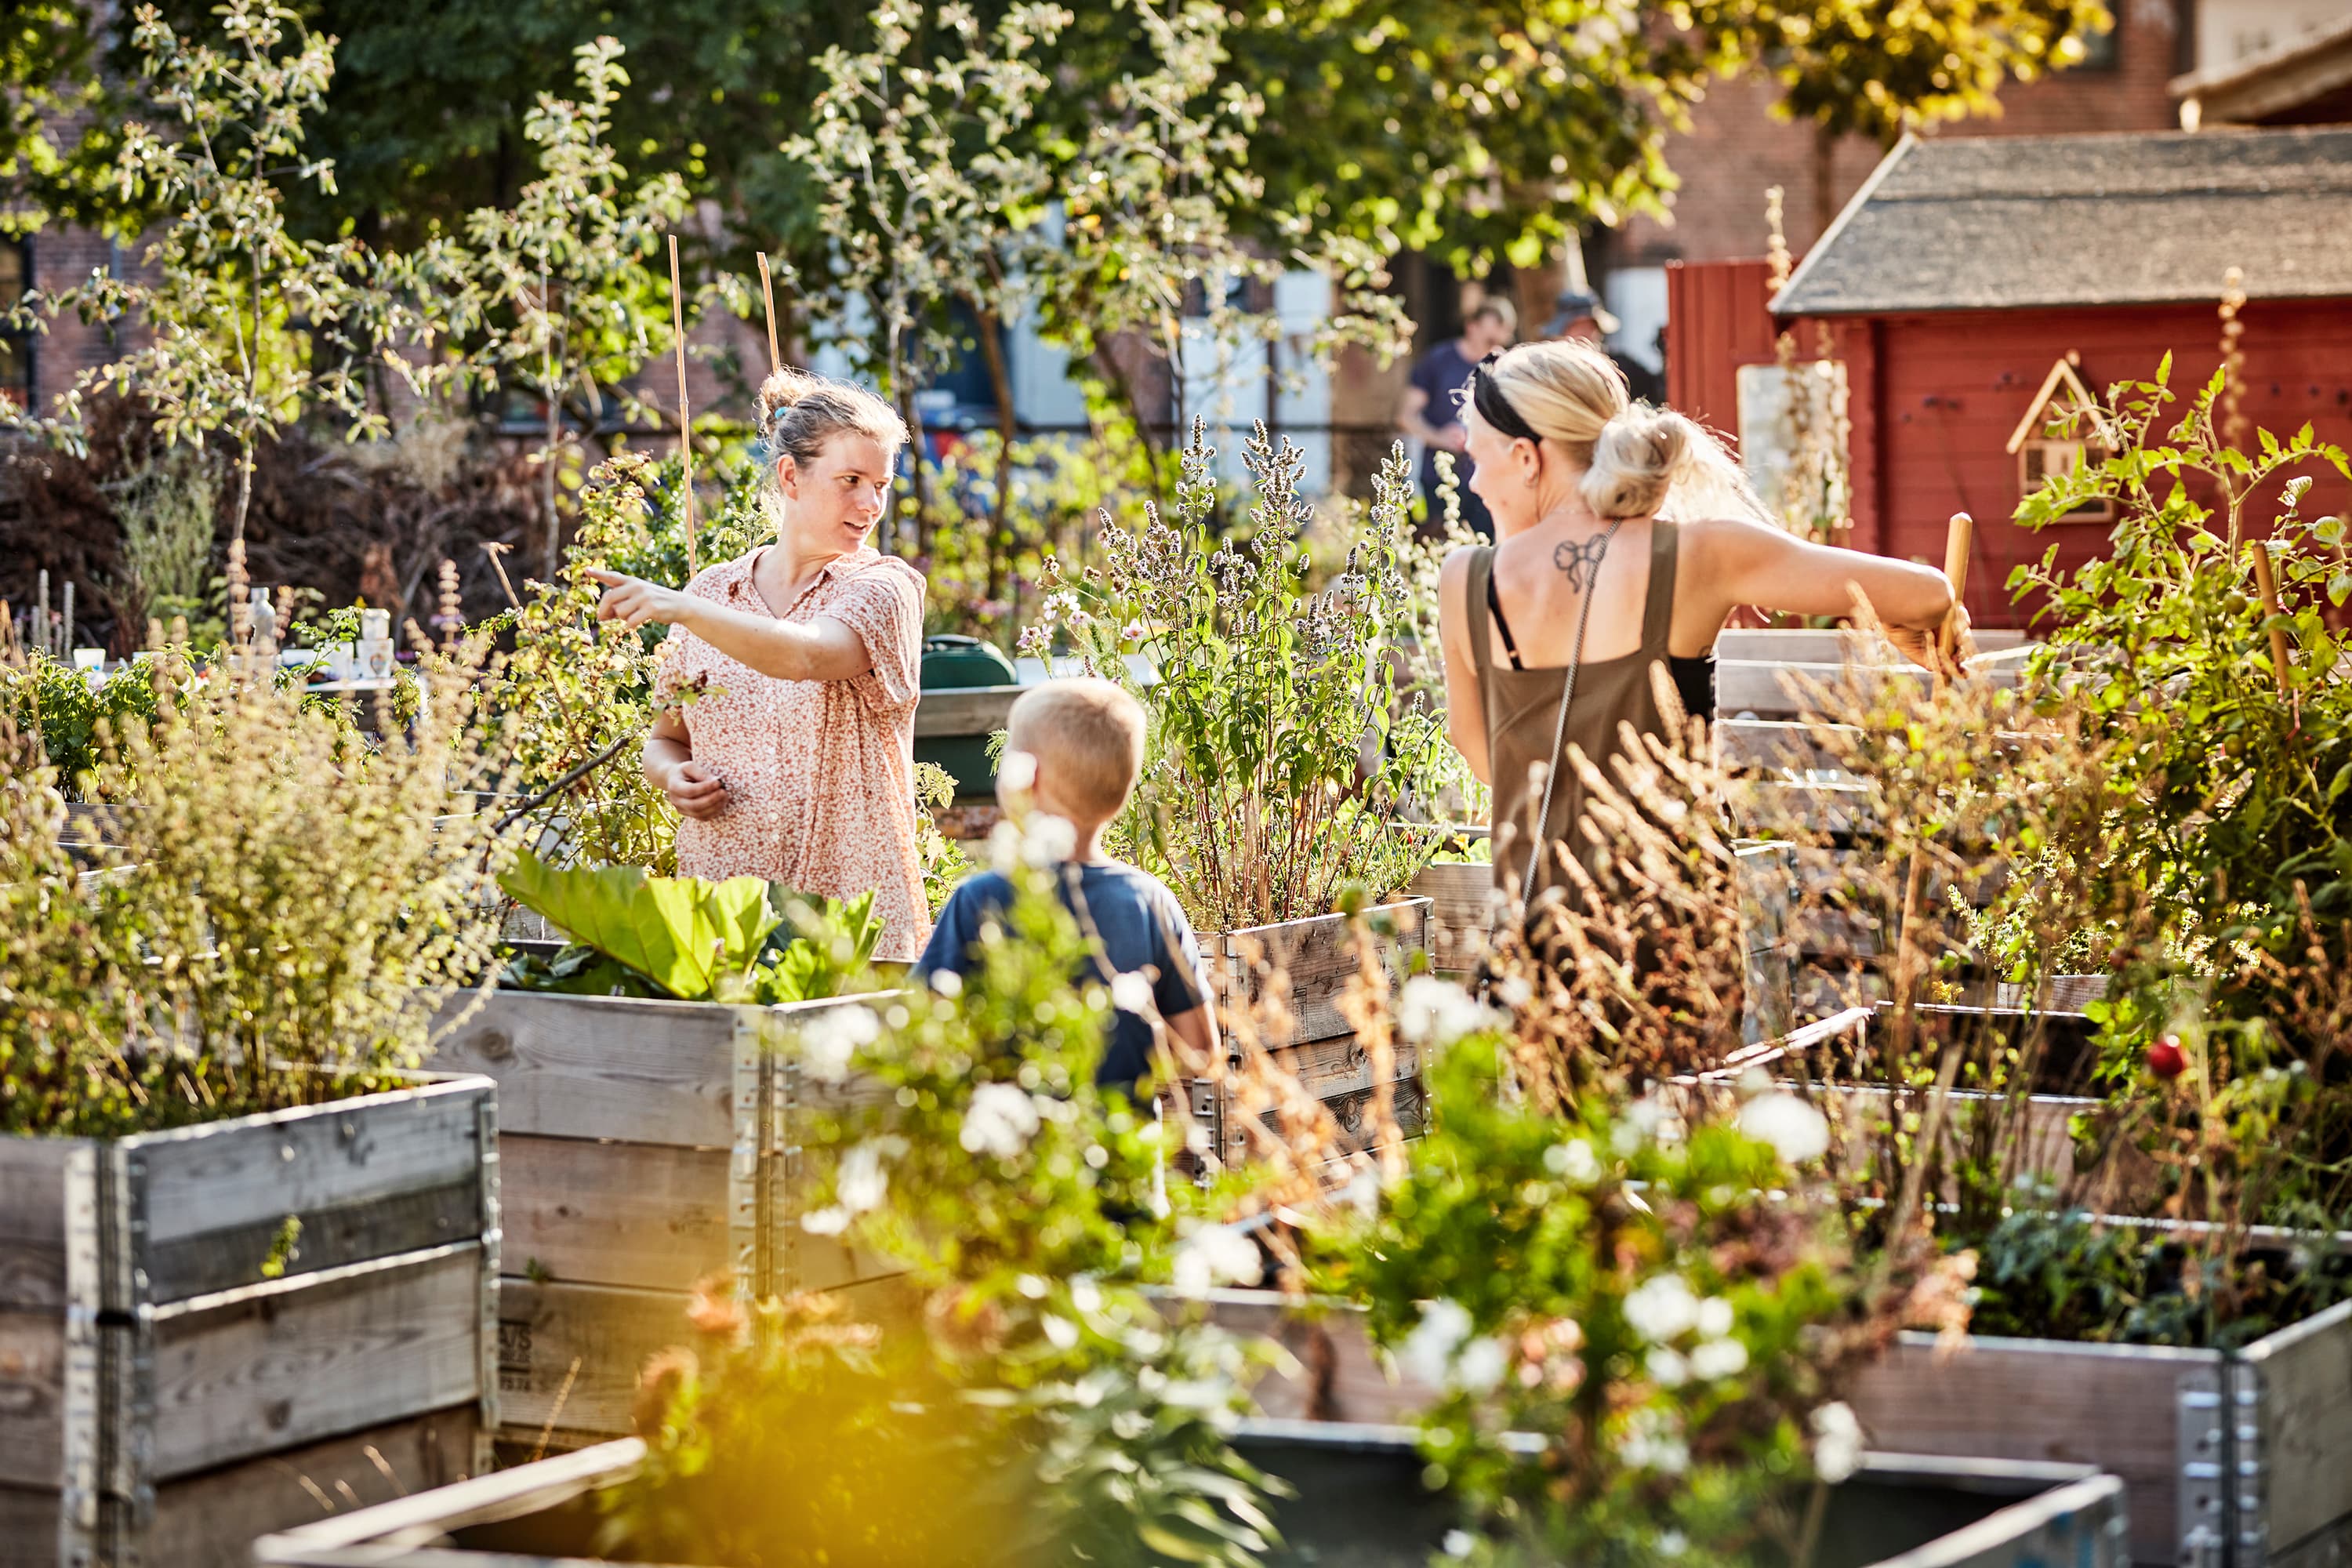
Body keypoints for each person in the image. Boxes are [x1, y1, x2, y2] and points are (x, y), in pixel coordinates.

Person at [1435, 339, 1958, 900]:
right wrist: (1897, 625)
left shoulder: (1465, 579)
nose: (1474, 484)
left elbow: (1480, 749)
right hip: (1681, 922)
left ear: (1525, 458)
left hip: (1538, 923)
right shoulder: (1699, 555)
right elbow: (1930, 594)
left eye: (1477, 460)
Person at [588, 366, 931, 962]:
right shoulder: (713, 592)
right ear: (791, 476)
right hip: (724, 909)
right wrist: (673, 777)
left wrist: (681, 608)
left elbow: (805, 654)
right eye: (851, 480)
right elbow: (666, 738)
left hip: (851, 915)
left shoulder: (884, 588)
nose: (871, 503)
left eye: (881, 484)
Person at [913, 679, 1216, 1098]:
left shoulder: (981, 900)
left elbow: (921, 1034)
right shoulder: (1151, 901)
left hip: (1012, 1135)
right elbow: (1200, 1049)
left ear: (1026, 778)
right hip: (1124, 1136)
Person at [1399, 297, 1517, 538]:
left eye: (1501, 340)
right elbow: (1405, 416)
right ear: (1471, 327)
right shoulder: (1438, 361)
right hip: (1439, 477)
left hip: (1490, 477)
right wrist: (1438, 437)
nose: (1495, 348)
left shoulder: (1505, 366)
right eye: (1490, 340)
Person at [1544, 287, 1664, 405]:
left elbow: (1657, 392)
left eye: (1589, 326)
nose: (1584, 333)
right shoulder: (1551, 372)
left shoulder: (1621, 366)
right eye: (1576, 327)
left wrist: (1667, 358)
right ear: (1562, 332)